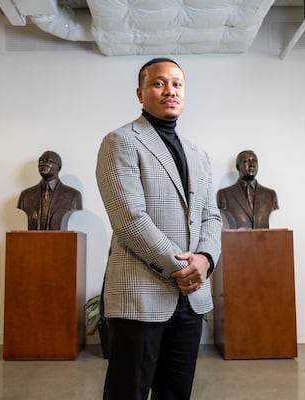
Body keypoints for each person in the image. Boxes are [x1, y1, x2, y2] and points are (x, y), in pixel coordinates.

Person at [95, 58, 222, 400]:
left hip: (190, 300)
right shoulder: (120, 141)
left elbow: (212, 216)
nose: (170, 91)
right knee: (128, 392)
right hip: (140, 295)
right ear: (140, 93)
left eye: (177, 84)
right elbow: (130, 219)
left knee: (176, 393)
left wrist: (206, 260)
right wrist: (184, 268)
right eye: (159, 83)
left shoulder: (198, 153)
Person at [17, 150, 82, 230]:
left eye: (47, 161)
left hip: (60, 240)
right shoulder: (25, 195)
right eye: (40, 161)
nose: (42, 163)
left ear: (58, 167)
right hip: (33, 240)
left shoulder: (73, 195)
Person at [216, 150, 278, 229]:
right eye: (247, 161)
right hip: (237, 240)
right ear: (238, 167)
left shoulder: (270, 195)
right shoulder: (224, 194)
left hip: (265, 239)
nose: (252, 164)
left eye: (254, 161)